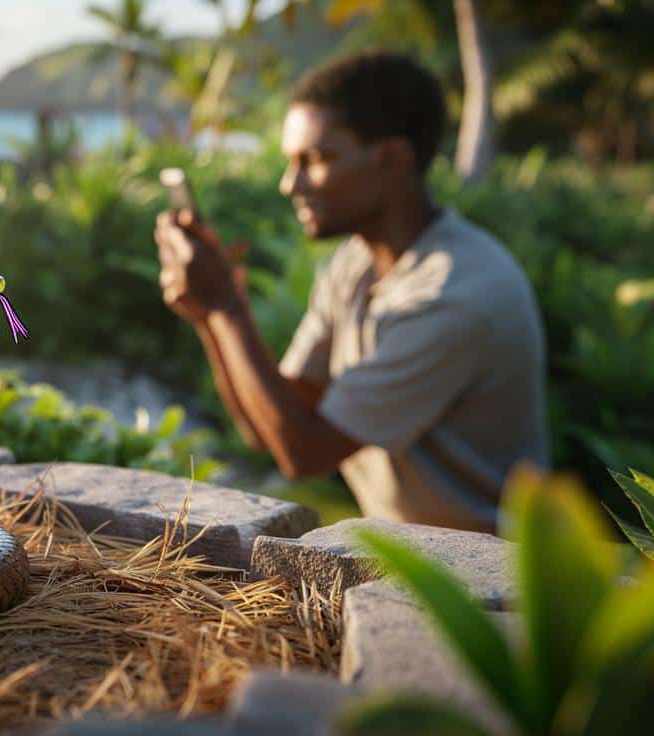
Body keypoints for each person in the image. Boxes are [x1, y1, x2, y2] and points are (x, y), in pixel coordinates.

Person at [154, 51, 547, 533]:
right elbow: (268, 431)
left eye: (314, 160)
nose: (288, 184)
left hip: (485, 581)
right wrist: (208, 315)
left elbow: (303, 452)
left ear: (391, 160)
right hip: (411, 559)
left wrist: (228, 306)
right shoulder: (355, 265)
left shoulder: (455, 294)